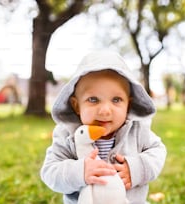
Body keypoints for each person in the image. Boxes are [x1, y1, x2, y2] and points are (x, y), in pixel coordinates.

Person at [40, 51, 167, 204]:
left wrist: (137, 169)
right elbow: (50, 171)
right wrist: (79, 172)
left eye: (116, 99)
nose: (105, 110)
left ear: (128, 105)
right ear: (76, 105)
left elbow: (158, 151)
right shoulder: (67, 134)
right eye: (93, 100)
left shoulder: (138, 130)